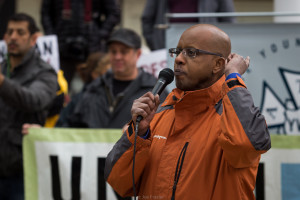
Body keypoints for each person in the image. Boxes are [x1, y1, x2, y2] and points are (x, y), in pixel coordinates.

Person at [104, 24, 271, 200]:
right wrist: (140, 134)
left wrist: (233, 77)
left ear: (218, 64)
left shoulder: (232, 117)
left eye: (191, 52)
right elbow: (118, 180)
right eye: (178, 51)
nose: (178, 59)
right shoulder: (157, 116)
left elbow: (247, 145)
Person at [63, 28, 169, 129]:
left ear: (138, 54)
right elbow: (68, 125)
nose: (118, 57)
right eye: (113, 52)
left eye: (124, 52)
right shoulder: (93, 88)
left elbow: (164, 130)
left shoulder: (156, 91)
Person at [0, 13, 57, 200]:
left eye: (20, 32)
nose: (13, 37)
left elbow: (34, 100)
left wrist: (2, 83)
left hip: (22, 173)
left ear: (33, 39)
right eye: (10, 32)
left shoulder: (45, 73)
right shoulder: (2, 69)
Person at [41, 0, 120, 86]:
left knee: (95, 85)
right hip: (61, 46)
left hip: (91, 47)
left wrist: (100, 35)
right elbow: (45, 13)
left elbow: (114, 13)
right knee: (58, 84)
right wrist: (52, 36)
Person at [141, 0, 236, 51]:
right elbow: (147, 19)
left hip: (206, 48)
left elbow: (229, 20)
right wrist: (156, 46)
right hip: (168, 47)